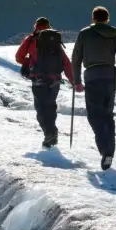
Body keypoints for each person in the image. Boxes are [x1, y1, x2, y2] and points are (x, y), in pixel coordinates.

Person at [71, 6, 116, 170]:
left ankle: (105, 151)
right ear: (107, 19)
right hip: (110, 78)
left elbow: (76, 59)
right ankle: (109, 151)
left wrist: (77, 81)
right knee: (107, 115)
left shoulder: (84, 34)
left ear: (93, 18)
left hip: (92, 77)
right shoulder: (114, 34)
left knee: (94, 116)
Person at [15, 17, 75, 148]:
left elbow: (19, 57)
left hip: (39, 79)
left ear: (35, 26)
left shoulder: (31, 39)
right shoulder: (55, 40)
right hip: (55, 80)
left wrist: (30, 62)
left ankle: (50, 134)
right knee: (50, 106)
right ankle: (51, 134)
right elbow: (66, 62)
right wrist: (73, 80)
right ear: (49, 26)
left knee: (41, 109)